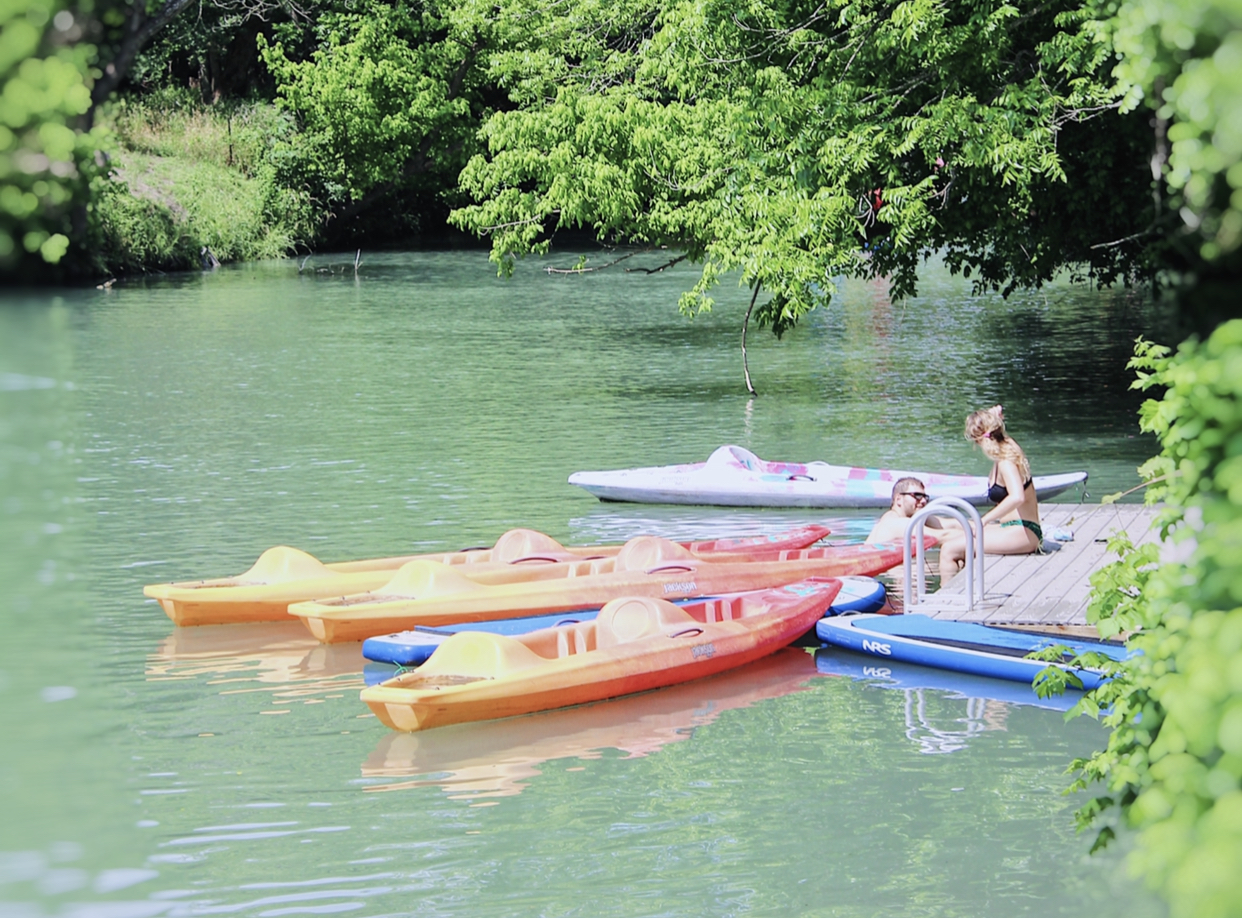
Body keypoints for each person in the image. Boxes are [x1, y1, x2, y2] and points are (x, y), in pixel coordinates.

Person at [938, 404, 1042, 580]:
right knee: (959, 537)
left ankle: (944, 600)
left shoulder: (1006, 462)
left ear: (979, 440)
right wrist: (994, 416)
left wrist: (985, 519)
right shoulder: (1006, 446)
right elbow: (998, 430)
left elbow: (1017, 496)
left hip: (1024, 532)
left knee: (949, 549)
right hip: (1012, 528)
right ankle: (962, 589)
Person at [865, 477, 953, 545]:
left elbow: (953, 525)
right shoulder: (895, 522)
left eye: (925, 497)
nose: (923, 501)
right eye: (917, 496)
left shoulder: (913, 519)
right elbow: (943, 536)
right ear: (899, 499)